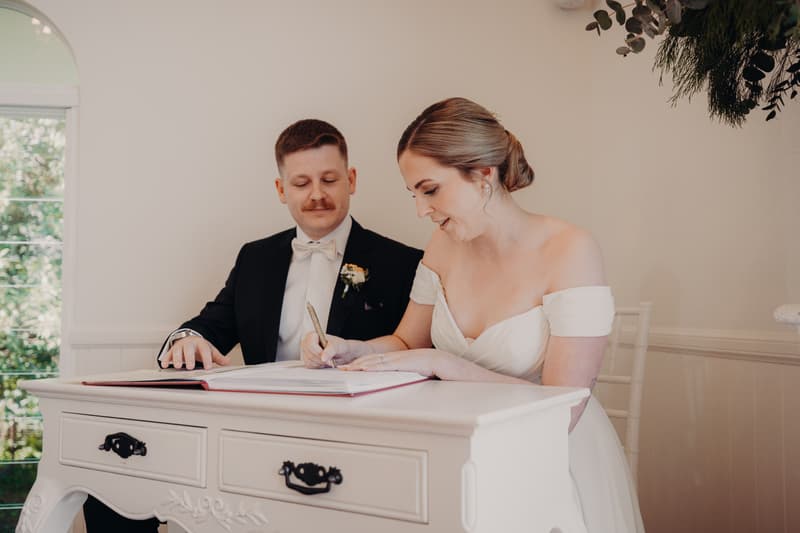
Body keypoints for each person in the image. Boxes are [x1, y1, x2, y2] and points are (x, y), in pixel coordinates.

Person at [300, 98, 645, 532]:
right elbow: (408, 343)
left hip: (548, 458)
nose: (421, 210)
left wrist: (445, 364)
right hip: (455, 451)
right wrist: (349, 349)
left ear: (483, 175)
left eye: (430, 190)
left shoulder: (570, 250)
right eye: (414, 194)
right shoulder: (442, 246)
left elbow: (564, 407)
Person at [83, 118, 423, 532]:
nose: (317, 195)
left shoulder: (402, 262)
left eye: (329, 179)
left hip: (356, 442)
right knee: (111, 494)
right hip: (254, 434)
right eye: (301, 183)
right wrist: (187, 340)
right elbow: (212, 323)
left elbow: (414, 353)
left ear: (351, 180)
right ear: (282, 190)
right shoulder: (255, 258)